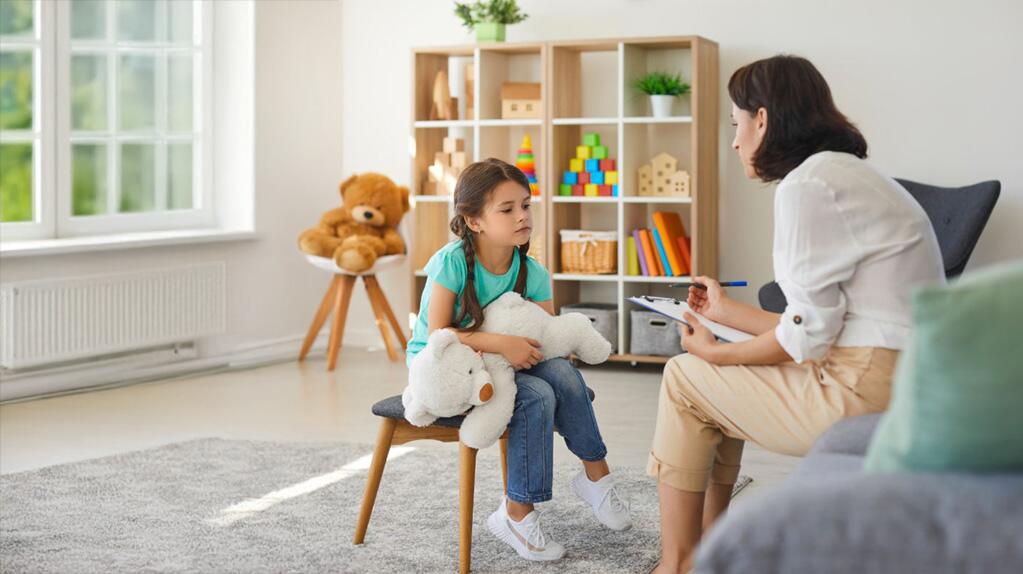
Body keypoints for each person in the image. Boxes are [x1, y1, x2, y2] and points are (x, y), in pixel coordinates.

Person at [648, 55, 945, 573]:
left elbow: (804, 342)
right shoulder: (847, 174)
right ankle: (710, 550)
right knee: (710, 382)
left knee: (684, 377)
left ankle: (677, 564)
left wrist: (717, 355)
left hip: (861, 389)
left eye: (736, 124)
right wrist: (725, 313)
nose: (735, 142)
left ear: (763, 120)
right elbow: (820, 326)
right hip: (902, 378)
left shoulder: (806, 186)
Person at [405, 158, 632, 562]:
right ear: (474, 221)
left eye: (526, 205)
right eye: (507, 209)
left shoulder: (532, 272)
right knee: (537, 396)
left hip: (503, 365)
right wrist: (501, 343)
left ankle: (596, 476)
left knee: (560, 371)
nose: (523, 216)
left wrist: (518, 348)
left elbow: (546, 339)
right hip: (447, 368)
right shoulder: (451, 262)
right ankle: (517, 513)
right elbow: (438, 334)